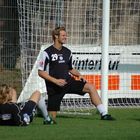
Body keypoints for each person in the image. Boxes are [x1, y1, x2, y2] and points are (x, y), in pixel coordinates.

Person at [38, 26, 115, 122]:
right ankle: (39, 109)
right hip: (54, 87)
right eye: (63, 35)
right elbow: (40, 72)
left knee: (91, 87)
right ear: (56, 36)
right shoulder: (47, 52)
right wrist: (56, 81)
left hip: (68, 82)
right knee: (51, 118)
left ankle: (104, 114)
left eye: (66, 35)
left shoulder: (67, 52)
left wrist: (79, 75)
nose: (66, 37)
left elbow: (70, 68)